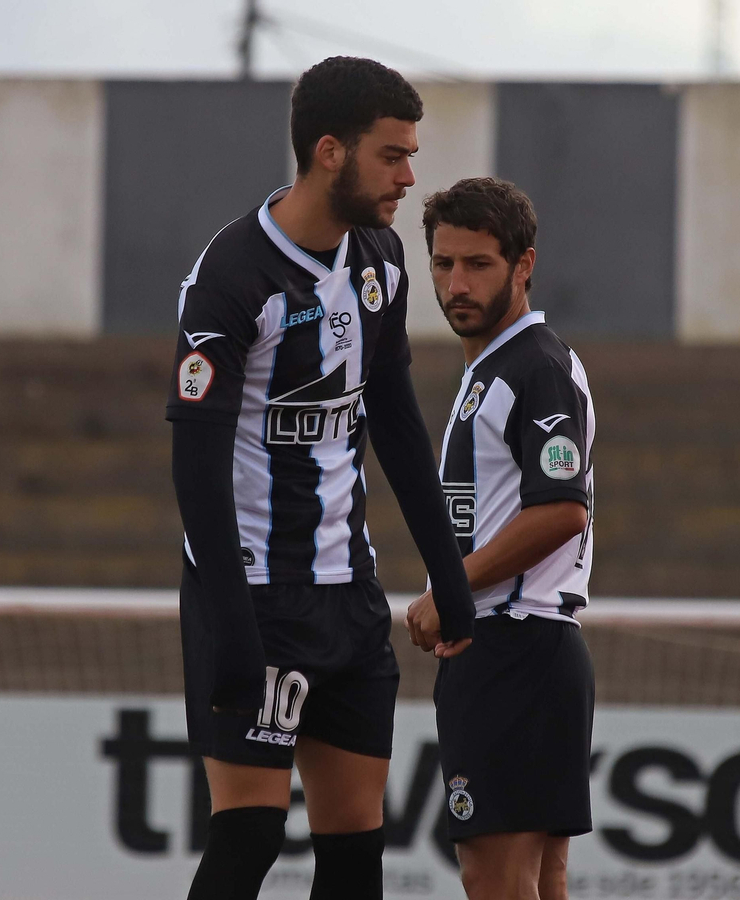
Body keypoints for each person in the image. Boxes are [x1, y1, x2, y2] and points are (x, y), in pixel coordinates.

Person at [167, 57, 474, 900]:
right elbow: (194, 468)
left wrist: (450, 575)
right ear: (330, 151)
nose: (410, 177)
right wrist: (228, 621)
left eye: (413, 155)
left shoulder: (378, 258)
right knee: (250, 837)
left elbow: (400, 426)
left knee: (353, 855)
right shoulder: (232, 277)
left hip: (349, 593)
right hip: (257, 598)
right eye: (392, 156)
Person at [404, 177, 597, 900]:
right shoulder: (491, 368)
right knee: (539, 880)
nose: (457, 282)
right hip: (521, 651)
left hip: (514, 646)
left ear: (523, 265)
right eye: (443, 263)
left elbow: (560, 510)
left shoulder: (534, 366)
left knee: (496, 879)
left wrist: (449, 594)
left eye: (478, 264)